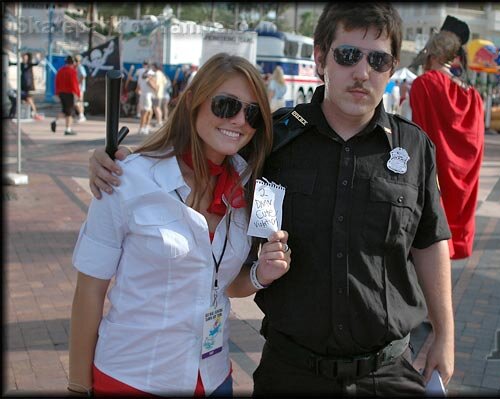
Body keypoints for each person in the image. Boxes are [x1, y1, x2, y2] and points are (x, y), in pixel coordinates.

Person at [87, 3, 455, 396]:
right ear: (320, 58)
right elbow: (200, 150)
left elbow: (430, 242)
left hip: (388, 372)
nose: (362, 72)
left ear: (392, 67)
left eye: (378, 60)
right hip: (292, 372)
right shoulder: (274, 140)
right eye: (347, 55)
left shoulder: (414, 147)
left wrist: (445, 335)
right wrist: (117, 161)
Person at [68, 53, 290, 397]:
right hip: (132, 379)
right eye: (226, 105)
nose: (239, 120)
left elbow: (223, 283)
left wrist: (262, 274)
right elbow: (89, 291)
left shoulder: (251, 187)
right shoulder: (126, 179)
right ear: (193, 103)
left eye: (252, 112)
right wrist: (78, 387)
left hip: (215, 378)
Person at [409, 15, 484, 260]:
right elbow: (475, 146)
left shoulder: (423, 85)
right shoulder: (473, 96)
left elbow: (411, 133)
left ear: (432, 55)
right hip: (455, 185)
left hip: (427, 179)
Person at [50, 55, 81, 136]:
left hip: (61, 93)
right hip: (69, 93)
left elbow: (56, 82)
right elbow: (74, 84)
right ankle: (68, 129)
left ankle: (55, 121)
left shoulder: (60, 71)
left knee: (65, 110)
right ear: (73, 62)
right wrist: (78, 94)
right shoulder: (72, 71)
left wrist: (57, 93)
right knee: (69, 112)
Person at [9, 52, 43, 120]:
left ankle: (34, 113)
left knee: (29, 99)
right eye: (23, 58)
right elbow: (14, 64)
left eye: (25, 58)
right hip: (23, 86)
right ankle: (31, 112)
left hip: (29, 86)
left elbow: (36, 63)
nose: (24, 59)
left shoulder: (29, 64)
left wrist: (38, 58)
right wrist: (9, 63)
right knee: (27, 100)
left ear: (28, 58)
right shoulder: (21, 64)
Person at [137, 67, 156, 135]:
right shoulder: (148, 80)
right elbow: (155, 87)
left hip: (144, 96)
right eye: (152, 75)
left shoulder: (142, 80)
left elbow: (137, 89)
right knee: (145, 113)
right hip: (147, 97)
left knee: (149, 112)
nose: (153, 76)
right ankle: (143, 128)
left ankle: (145, 127)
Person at [150, 62, 168, 128]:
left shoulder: (156, 74)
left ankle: (159, 122)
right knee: (158, 108)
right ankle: (159, 121)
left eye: (152, 67)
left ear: (155, 67)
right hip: (161, 93)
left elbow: (156, 84)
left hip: (156, 94)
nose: (152, 68)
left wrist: (150, 82)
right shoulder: (161, 73)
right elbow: (165, 82)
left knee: (156, 108)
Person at [74, 54, 87, 122]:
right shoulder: (76, 67)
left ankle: (81, 115)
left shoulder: (80, 67)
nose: (75, 62)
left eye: (76, 60)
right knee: (79, 102)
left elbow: (83, 76)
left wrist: (78, 83)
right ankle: (81, 115)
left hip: (80, 88)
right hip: (78, 88)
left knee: (78, 102)